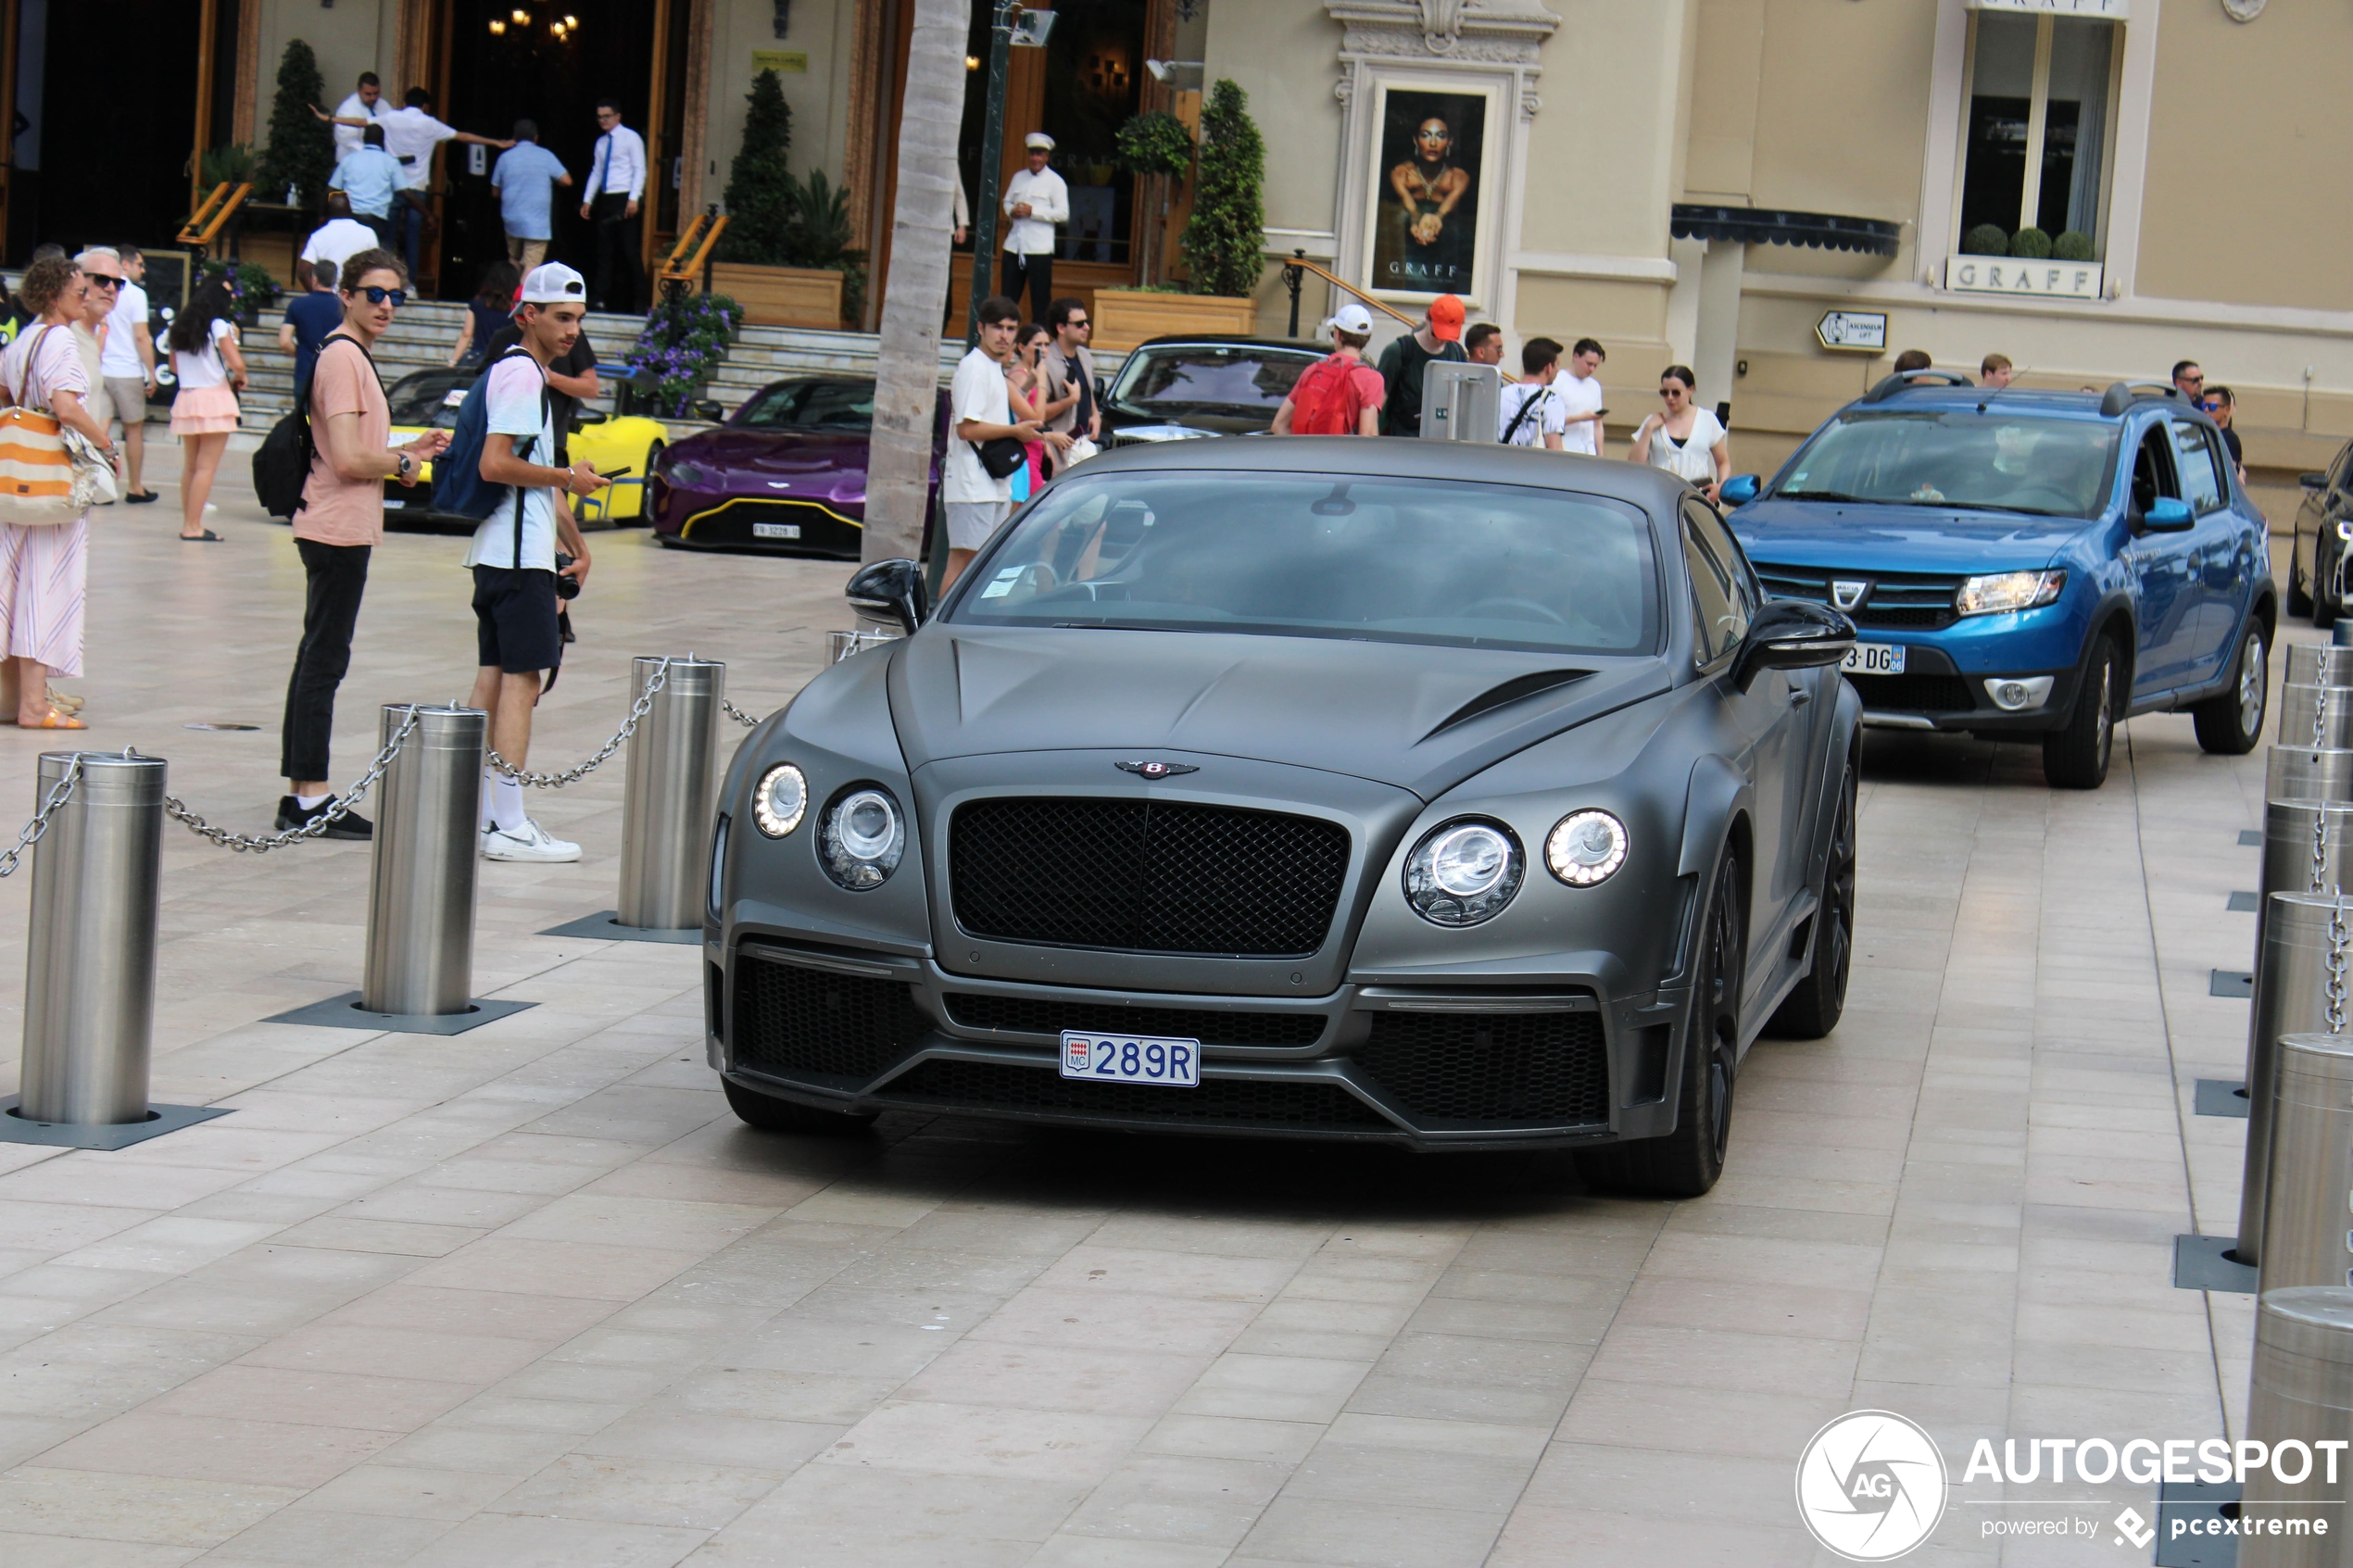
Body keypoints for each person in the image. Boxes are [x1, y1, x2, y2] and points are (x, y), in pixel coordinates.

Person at [280, 250, 449, 837]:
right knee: (324, 662)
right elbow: (350, 457)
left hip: (337, 522)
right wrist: (404, 459)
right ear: (345, 295)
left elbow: (355, 447)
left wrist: (411, 451)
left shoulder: (349, 355)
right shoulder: (344, 358)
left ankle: (302, 793)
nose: (385, 306)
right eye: (374, 293)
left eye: (396, 296)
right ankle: (309, 796)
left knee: (318, 658)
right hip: (335, 526)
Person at [465, 262, 601, 863]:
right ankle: (508, 822)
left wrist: (574, 541)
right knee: (522, 681)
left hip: (504, 550)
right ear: (529, 315)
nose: (571, 330)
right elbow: (498, 465)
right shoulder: (522, 376)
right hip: (517, 558)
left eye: (577, 319)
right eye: (561, 318)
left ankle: (473, 807)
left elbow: (540, 484)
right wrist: (569, 476)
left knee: (495, 676)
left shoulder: (521, 374)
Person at [0, 255, 113, 729]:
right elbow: (65, 407)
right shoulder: (62, 339)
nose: (85, 295)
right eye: (78, 288)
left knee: (14, 583)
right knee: (45, 586)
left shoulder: (22, 341)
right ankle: (31, 705)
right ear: (54, 294)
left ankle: (13, 700)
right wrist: (105, 443)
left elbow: (8, 397)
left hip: (17, 477)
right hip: (51, 480)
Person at [323, 88, 510, 277]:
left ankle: (382, 277)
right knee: (413, 237)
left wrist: (330, 119)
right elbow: (462, 136)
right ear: (425, 106)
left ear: (404, 103)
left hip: (394, 188)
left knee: (388, 238)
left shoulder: (390, 118)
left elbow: (359, 123)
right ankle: (411, 283)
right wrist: (496, 143)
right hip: (418, 188)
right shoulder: (431, 124)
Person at [943, 295, 1042, 589]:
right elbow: (967, 429)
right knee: (964, 562)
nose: (1004, 335)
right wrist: (1015, 432)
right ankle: (941, 632)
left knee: (984, 567)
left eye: (1011, 329)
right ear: (981, 328)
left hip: (993, 483)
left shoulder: (992, 368)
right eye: (998, 327)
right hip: (971, 484)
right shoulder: (974, 368)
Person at [166, 274, 245, 542]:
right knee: (206, 467)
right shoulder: (219, 326)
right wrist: (239, 376)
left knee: (191, 465)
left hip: (187, 397)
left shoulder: (179, 327)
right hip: (214, 397)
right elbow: (237, 363)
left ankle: (188, 521)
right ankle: (193, 526)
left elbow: (175, 367)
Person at [1270, 302, 1385, 436]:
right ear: (1367, 338)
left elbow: (1278, 425)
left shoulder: (1312, 370)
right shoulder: (1371, 379)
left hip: (1302, 454)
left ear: (1338, 335)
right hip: (1338, 455)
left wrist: (1301, 452)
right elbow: (1368, 435)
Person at [579, 99, 646, 314]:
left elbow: (639, 169)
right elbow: (597, 171)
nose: (602, 120)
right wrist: (588, 199)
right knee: (604, 251)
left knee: (629, 250)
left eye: (607, 116)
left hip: (625, 196)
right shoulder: (601, 143)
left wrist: (634, 198)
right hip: (607, 198)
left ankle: (640, 299)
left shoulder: (631, 138)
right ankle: (599, 298)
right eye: (599, 117)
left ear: (618, 116)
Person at [101, 245, 157, 504]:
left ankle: (99, 486)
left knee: (100, 428)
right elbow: (141, 336)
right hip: (127, 369)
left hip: (100, 367)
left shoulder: (98, 290)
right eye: (140, 264)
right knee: (133, 430)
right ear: (125, 264)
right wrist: (152, 372)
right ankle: (134, 486)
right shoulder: (136, 295)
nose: (142, 270)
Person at [1630, 365, 1730, 501]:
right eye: (1664, 392)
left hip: (1697, 496)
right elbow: (1634, 464)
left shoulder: (1707, 419)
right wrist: (1648, 429)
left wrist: (1721, 486)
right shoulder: (1652, 421)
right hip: (1661, 496)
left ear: (1690, 390)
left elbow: (1723, 461)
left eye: (1676, 392)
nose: (1670, 398)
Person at [1375, 294, 1466, 436]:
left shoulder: (1457, 353)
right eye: (1437, 334)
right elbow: (1377, 403)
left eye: (1448, 337)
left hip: (1444, 444)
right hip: (1403, 444)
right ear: (1427, 318)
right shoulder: (1398, 352)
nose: (1441, 341)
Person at [1000, 132, 1067, 324]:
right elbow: (1007, 201)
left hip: (1039, 249)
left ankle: (1039, 346)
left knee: (1040, 302)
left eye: (1039, 154)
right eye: (1032, 154)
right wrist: (1012, 211)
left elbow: (1063, 213)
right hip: (1015, 246)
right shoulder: (1018, 177)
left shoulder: (1056, 182)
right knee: (1007, 301)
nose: (1035, 158)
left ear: (1047, 156)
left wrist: (1033, 211)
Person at [491, 120, 571, 271]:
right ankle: (520, 294)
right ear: (536, 138)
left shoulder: (504, 158)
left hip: (512, 219)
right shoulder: (545, 156)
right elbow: (567, 180)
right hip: (536, 222)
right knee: (531, 266)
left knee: (514, 260)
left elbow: (495, 192)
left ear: (514, 138)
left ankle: (511, 292)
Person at [1005, 321, 1073, 496]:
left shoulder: (1030, 373)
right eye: (1037, 345)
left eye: (1046, 345)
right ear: (1021, 347)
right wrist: (1049, 436)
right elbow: (1030, 418)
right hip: (1025, 451)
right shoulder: (1019, 376)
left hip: (1035, 449)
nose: (1043, 349)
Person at [69, 249, 120, 444]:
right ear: (79, 283)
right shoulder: (63, 331)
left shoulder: (90, 332)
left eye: (118, 283)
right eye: (101, 280)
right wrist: (105, 445)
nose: (110, 288)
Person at [329, 123, 406, 250]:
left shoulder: (349, 159)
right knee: (373, 260)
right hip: (376, 223)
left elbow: (331, 189)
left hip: (351, 218)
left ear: (364, 139)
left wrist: (323, 214)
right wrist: (427, 214)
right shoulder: (391, 162)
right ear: (383, 140)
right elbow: (405, 192)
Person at [1040, 297, 1100, 458]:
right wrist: (1070, 400)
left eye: (1088, 322)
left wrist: (1095, 414)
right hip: (1058, 446)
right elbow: (1035, 413)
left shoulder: (1085, 356)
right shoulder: (1046, 361)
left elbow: (1088, 392)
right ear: (1061, 327)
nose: (1086, 328)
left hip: (1086, 441)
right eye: (1080, 324)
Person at [277, 258, 345, 390]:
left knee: (305, 410)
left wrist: (301, 353)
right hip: (335, 373)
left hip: (306, 371)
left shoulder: (297, 305)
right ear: (335, 280)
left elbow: (284, 342)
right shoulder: (343, 307)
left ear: (314, 279)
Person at [298, 195, 383, 292]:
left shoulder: (318, 236)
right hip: (357, 297)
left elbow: (303, 271)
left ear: (328, 213)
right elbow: (377, 268)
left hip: (330, 298)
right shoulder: (368, 233)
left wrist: (317, 295)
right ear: (351, 210)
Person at [1497, 336, 1568, 451]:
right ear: (1548, 368)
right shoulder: (1551, 400)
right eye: (1557, 364)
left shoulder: (1499, 394)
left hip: (1499, 465)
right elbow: (1555, 450)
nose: (1558, 370)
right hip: (1532, 466)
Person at [450, 262, 520, 368]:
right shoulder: (516, 309)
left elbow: (467, 334)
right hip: (504, 360)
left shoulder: (476, 303)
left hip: (478, 358)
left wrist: (453, 362)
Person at [1554, 337, 1607, 456]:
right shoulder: (1558, 381)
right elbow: (1550, 422)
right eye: (1589, 364)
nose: (1592, 369)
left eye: (1595, 365)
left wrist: (1601, 454)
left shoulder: (1594, 386)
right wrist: (1579, 418)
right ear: (1576, 356)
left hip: (1589, 452)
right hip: (1566, 450)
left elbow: (1597, 425)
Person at [330, 72, 388, 165]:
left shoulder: (383, 105)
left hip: (377, 162)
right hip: (351, 163)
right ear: (358, 90)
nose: (373, 98)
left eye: (376, 93)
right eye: (368, 94)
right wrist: (373, 155)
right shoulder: (348, 109)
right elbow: (349, 141)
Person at [2206, 385, 2246, 481]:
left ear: (2226, 410)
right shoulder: (2208, 434)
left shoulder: (2228, 439)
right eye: (2204, 406)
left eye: (2212, 406)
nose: (2206, 410)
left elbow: (2228, 476)